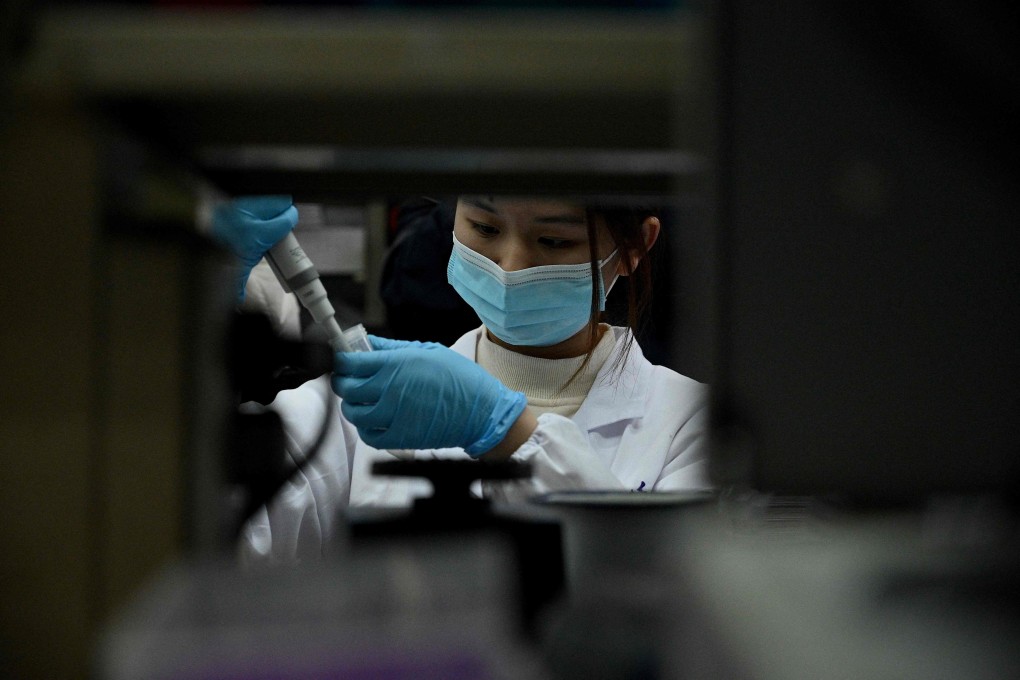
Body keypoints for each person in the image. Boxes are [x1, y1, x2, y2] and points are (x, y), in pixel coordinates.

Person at [212, 194, 710, 564]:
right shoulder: (352, 412)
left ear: (636, 247)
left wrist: (509, 432)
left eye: (553, 240)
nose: (511, 267)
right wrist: (192, 301)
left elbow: (669, 607)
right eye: (485, 227)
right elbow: (207, 530)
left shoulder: (693, 423)